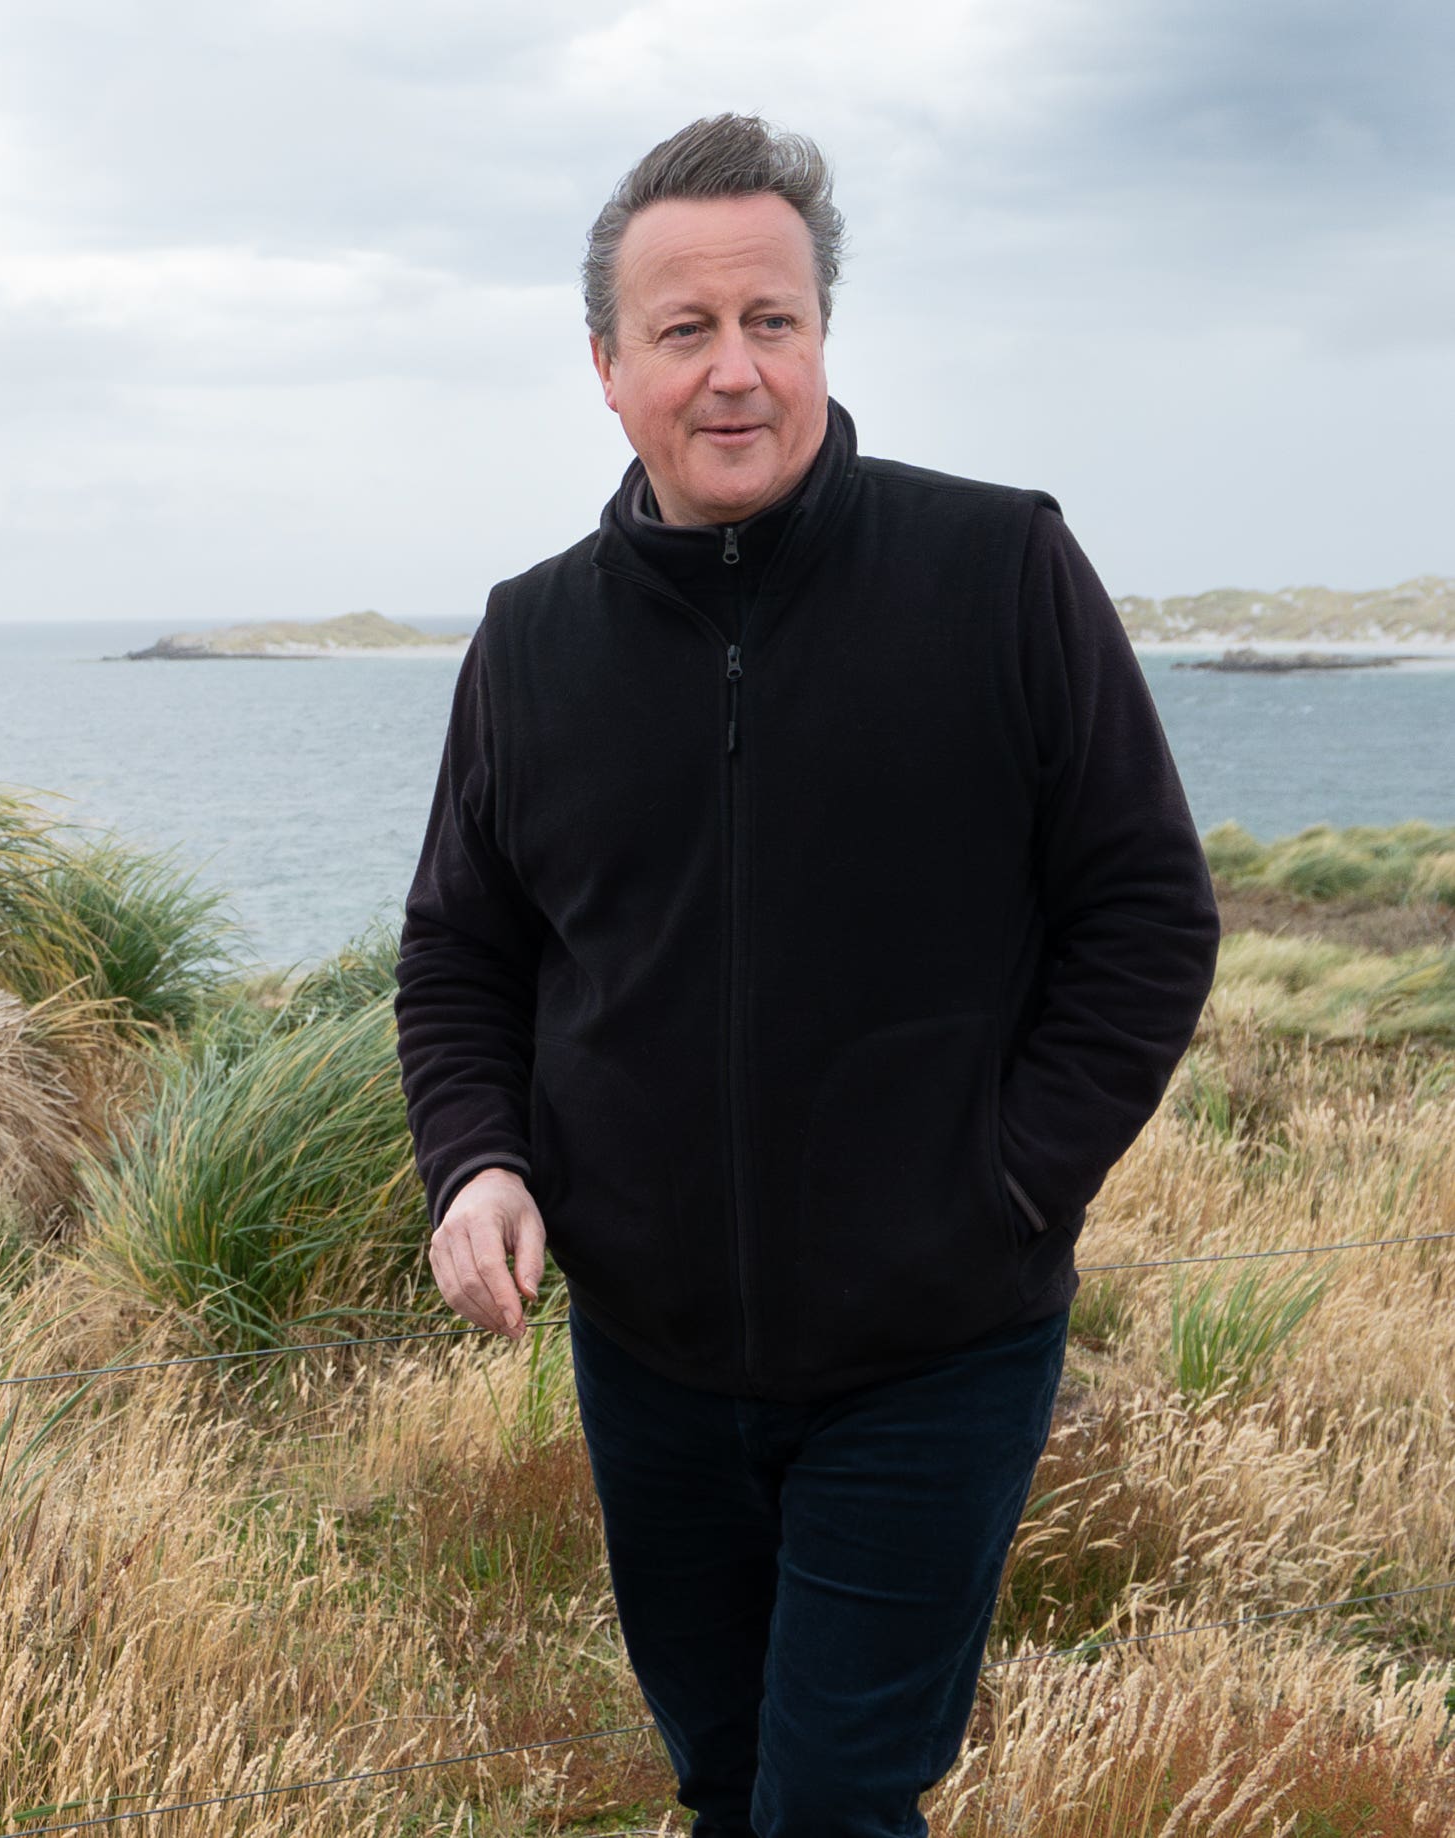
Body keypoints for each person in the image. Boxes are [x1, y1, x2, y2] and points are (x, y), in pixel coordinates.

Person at [392, 114, 1218, 1835]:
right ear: (606, 368)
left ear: (821, 338)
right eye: (684, 331)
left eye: (771, 320)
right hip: (649, 1356)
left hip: (936, 1341)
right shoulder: (529, 639)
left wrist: (1003, 1184)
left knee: (834, 1798)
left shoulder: (996, 570)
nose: (733, 372)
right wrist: (475, 1155)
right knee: (720, 1782)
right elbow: (462, 949)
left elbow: (1144, 911)